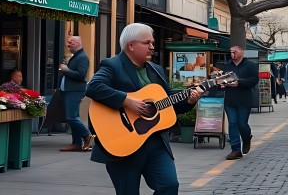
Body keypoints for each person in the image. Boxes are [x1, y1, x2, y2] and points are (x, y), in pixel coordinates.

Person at [86, 23, 203, 195]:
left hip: (155, 143)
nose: (152, 47)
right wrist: (126, 100)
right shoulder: (112, 65)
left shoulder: (156, 70)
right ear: (131, 45)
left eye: (153, 43)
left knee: (169, 186)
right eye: (147, 43)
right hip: (123, 143)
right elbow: (93, 88)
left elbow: (170, 103)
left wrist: (190, 100)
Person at [220, 44, 258, 160]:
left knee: (242, 124)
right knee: (232, 123)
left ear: (241, 52)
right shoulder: (227, 66)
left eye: (235, 51)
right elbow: (223, 79)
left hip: (244, 99)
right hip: (230, 99)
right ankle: (235, 149)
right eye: (231, 51)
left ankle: (246, 139)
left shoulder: (250, 66)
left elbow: (254, 81)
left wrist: (239, 82)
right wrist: (222, 84)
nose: (232, 53)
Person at [59, 36, 92, 152]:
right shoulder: (75, 56)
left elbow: (80, 75)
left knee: (71, 117)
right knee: (73, 116)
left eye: (71, 42)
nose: (68, 44)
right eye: (68, 42)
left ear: (78, 43)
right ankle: (76, 143)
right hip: (68, 91)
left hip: (74, 91)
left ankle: (87, 135)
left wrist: (65, 70)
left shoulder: (82, 57)